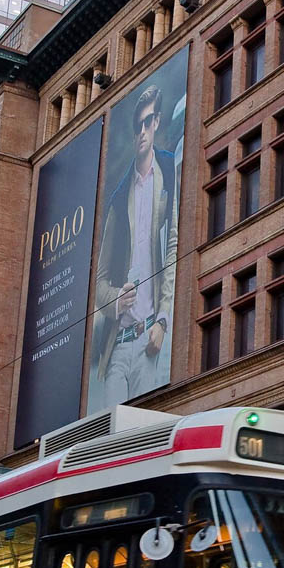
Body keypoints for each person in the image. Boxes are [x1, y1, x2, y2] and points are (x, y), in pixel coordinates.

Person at [90, 82, 178, 408]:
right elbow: (97, 284)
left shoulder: (169, 171)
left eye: (148, 122)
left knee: (140, 436)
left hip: (149, 340)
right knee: (114, 439)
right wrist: (117, 299)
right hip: (117, 346)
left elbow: (173, 247)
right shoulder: (117, 200)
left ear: (156, 122)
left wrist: (163, 321)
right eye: (137, 125)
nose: (142, 131)